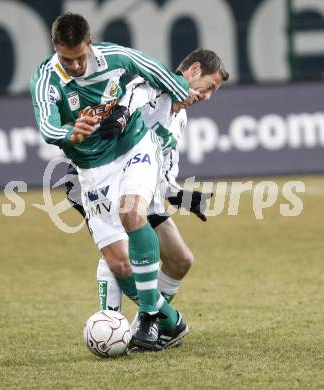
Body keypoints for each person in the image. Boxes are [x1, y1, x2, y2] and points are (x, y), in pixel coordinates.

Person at [30, 13, 199, 352]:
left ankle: (149, 319)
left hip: (133, 146)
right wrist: (69, 133)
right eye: (67, 58)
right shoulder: (47, 78)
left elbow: (154, 69)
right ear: (55, 48)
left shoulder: (115, 57)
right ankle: (169, 319)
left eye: (80, 57)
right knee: (119, 263)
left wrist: (180, 91)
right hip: (92, 170)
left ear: (89, 45)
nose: (75, 66)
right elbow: (46, 126)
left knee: (132, 213)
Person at [66, 49, 229, 348]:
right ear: (193, 70)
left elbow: (165, 174)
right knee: (118, 255)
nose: (208, 96)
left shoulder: (179, 120)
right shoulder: (151, 87)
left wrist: (182, 197)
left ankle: (149, 319)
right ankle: (135, 319)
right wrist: (122, 114)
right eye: (210, 87)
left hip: (142, 189)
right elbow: (126, 94)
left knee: (181, 260)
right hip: (99, 176)